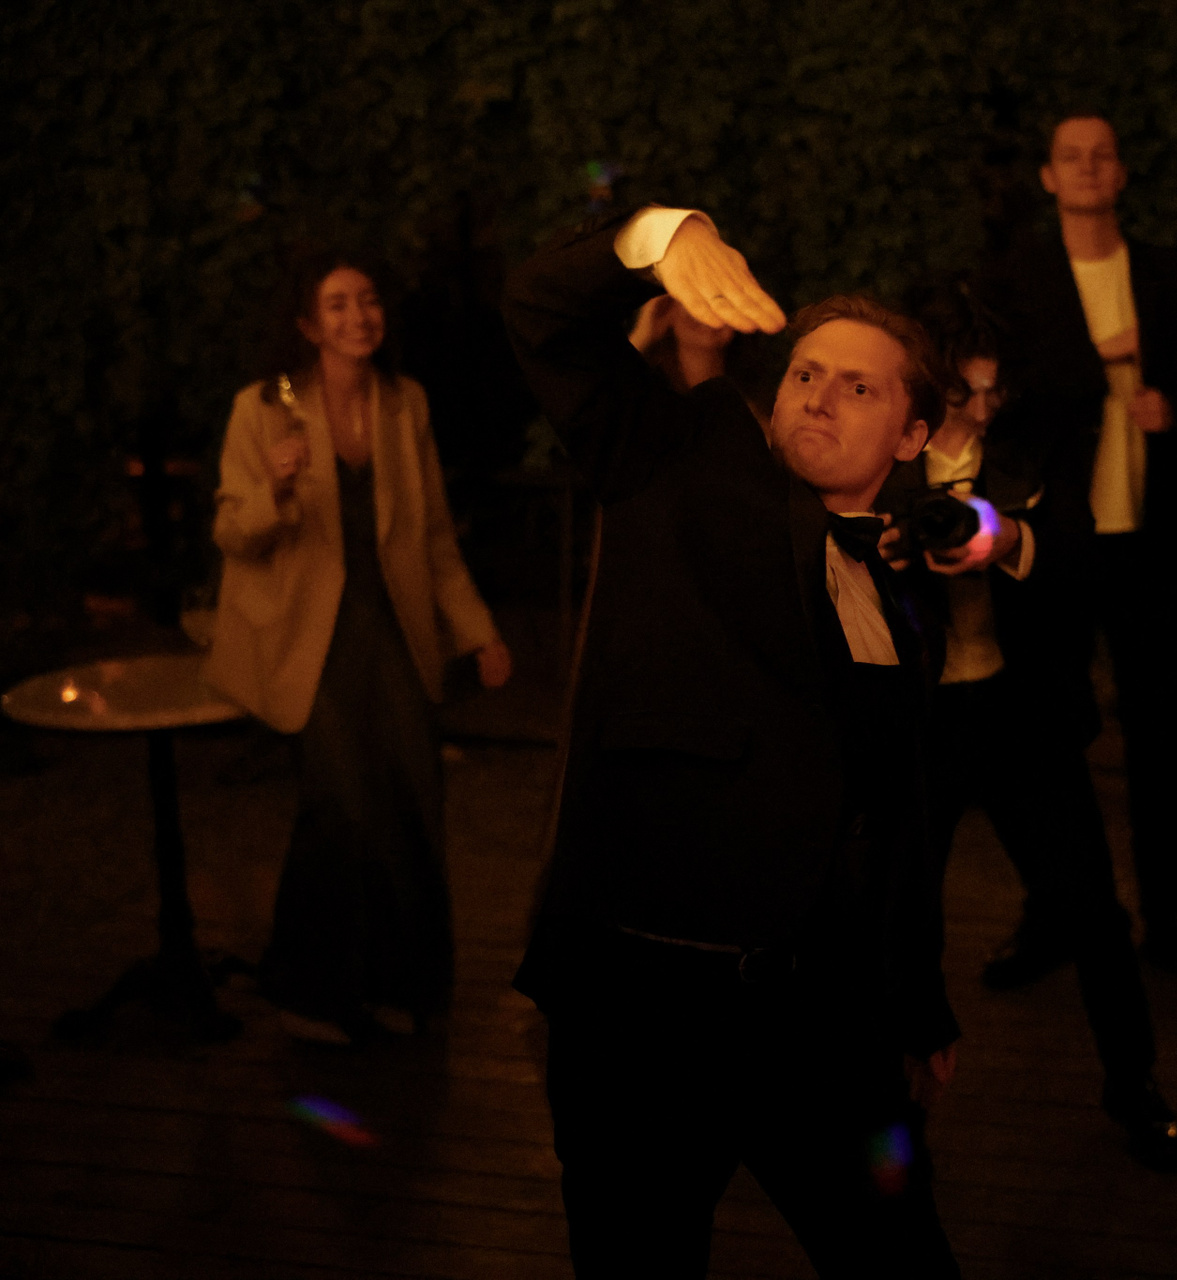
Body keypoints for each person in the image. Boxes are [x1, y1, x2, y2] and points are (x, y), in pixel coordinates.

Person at [504, 204, 962, 1278]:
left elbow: (898, 814)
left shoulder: (907, 594)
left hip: (828, 1026)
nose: (821, 394)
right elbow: (540, 312)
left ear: (912, 436)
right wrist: (660, 236)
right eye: (806, 372)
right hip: (645, 1013)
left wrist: (917, 1002)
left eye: (860, 386)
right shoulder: (679, 462)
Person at [879, 285, 1177, 1170]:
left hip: (1022, 714)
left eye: (994, 391)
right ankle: (894, 1102)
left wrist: (1010, 542)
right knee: (902, 918)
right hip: (920, 721)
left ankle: (1133, 1082)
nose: (982, 410)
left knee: (1094, 912)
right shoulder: (886, 453)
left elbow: (1086, 564)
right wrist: (889, 553)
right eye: (963, 392)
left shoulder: (1033, 447)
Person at [206, 251, 512, 1045]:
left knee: (414, 799)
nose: (358, 317)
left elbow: (433, 535)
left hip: (392, 629)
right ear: (308, 325)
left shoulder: (404, 403)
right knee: (340, 807)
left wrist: (477, 630)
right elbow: (232, 532)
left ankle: (401, 987)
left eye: (368, 300)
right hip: (310, 637)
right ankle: (310, 995)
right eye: (338, 305)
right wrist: (274, 487)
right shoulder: (263, 408)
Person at [981, 113, 1177, 991]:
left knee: (1158, 736)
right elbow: (998, 398)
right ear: (1049, 177)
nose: (1089, 167)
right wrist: (1107, 358)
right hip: (1054, 540)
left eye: (1102, 155)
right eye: (1072, 156)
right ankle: (1054, 910)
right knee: (1046, 734)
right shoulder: (1016, 280)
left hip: (1149, 537)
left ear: (1122, 173)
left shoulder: (1169, 276)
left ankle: (1171, 919)